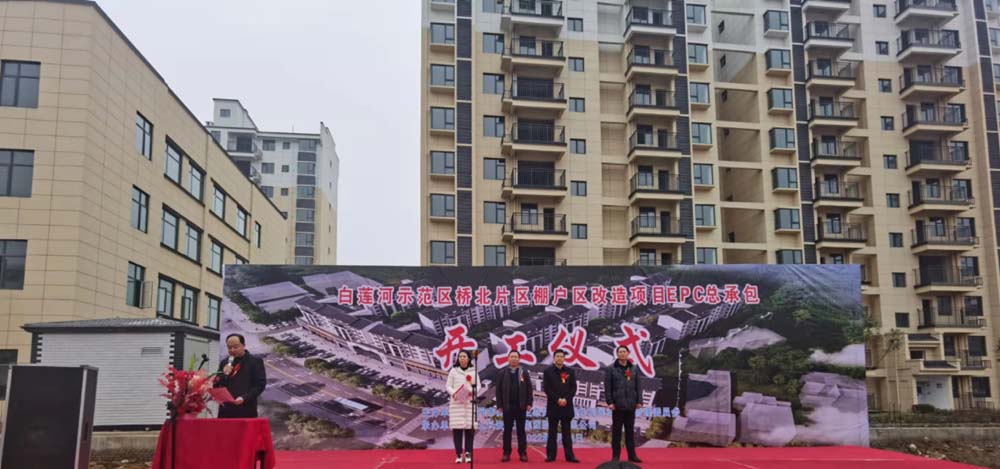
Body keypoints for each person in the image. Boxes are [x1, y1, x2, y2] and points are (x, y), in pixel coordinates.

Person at [603, 346, 642, 463]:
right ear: (617, 354)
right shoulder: (611, 368)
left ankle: (632, 455)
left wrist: (639, 401)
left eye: (624, 352)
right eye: (620, 352)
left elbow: (638, 386)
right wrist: (610, 402)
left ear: (628, 353)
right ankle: (616, 456)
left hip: (631, 405)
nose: (622, 354)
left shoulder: (634, 368)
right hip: (617, 405)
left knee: (630, 432)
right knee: (617, 432)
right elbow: (608, 387)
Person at [214, 333, 267, 418]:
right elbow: (216, 384)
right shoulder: (225, 362)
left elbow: (259, 385)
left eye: (236, 347)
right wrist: (223, 374)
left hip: (246, 409)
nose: (232, 350)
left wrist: (244, 398)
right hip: (226, 409)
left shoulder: (255, 362)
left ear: (243, 345)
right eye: (229, 347)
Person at [542, 349, 579, 463]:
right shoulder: (547, 371)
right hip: (553, 405)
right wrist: (557, 399)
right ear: (554, 358)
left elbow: (573, 388)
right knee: (552, 432)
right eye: (557, 356)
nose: (559, 358)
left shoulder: (570, 371)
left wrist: (566, 399)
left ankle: (570, 456)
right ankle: (551, 455)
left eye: (561, 356)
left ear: (564, 358)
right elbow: (547, 389)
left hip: (566, 406)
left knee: (567, 433)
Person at [495, 350, 532, 462]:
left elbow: (529, 388)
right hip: (507, 407)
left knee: (521, 431)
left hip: (521, 407)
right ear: (508, 358)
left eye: (516, 357)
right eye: (512, 357)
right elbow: (498, 390)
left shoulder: (524, 372)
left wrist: (529, 403)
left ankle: (522, 453)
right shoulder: (502, 373)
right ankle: (506, 453)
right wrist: (500, 404)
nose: (514, 359)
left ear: (519, 359)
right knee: (507, 431)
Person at [447, 350, 480, 464]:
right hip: (457, 403)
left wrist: (471, 391)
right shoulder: (453, 371)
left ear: (469, 358)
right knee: (457, 431)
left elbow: (478, 386)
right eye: (460, 356)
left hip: (469, 403)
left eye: (464, 356)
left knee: (469, 431)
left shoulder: (473, 371)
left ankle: (468, 454)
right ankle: (458, 454)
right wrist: (454, 393)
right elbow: (448, 386)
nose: (462, 358)